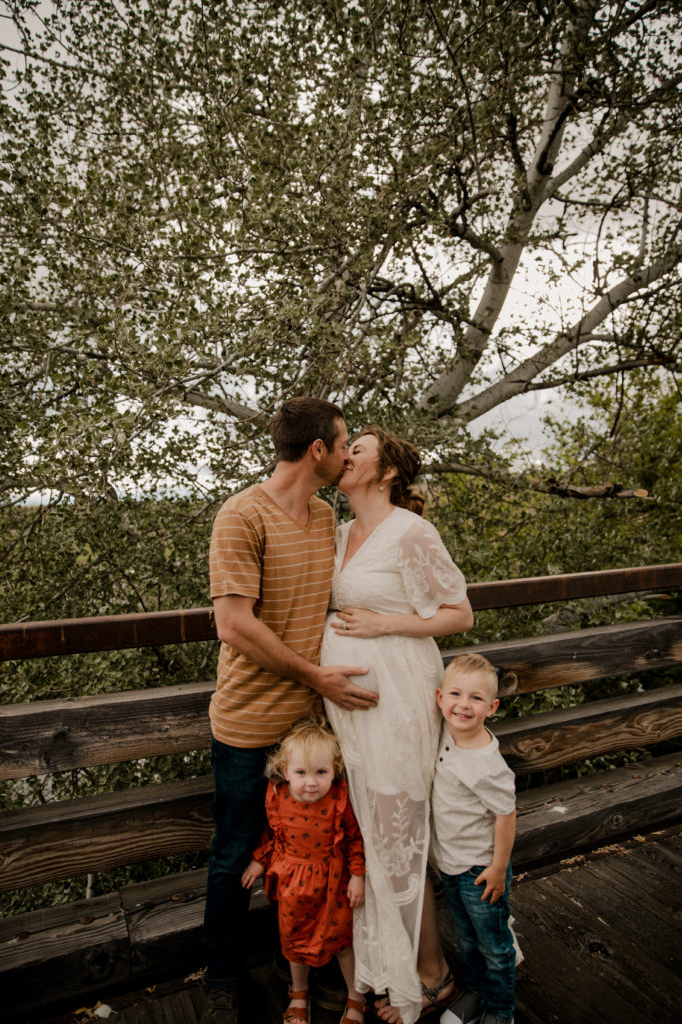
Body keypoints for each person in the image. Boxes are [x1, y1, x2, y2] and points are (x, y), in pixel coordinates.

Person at [203, 397, 377, 1024]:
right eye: (343, 442)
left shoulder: (324, 514)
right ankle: (221, 978)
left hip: (314, 732)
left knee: (321, 853)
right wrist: (314, 676)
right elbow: (233, 624)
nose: (347, 452)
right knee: (235, 853)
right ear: (317, 451)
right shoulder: (241, 515)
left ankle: (305, 963)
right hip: (250, 725)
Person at [320, 426, 474, 1024]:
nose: (345, 455)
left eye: (357, 449)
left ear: (386, 472)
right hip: (352, 714)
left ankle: (433, 980)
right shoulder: (337, 534)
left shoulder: (412, 532)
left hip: (401, 701)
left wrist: (385, 626)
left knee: (397, 834)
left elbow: (459, 613)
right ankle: (393, 970)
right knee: (374, 835)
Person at [242, 716, 368, 1024]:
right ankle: (299, 992)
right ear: (286, 771)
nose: (311, 782)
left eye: (321, 772)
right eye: (301, 772)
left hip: (332, 885)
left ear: (334, 771)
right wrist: (259, 860)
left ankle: (356, 996)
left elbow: (353, 839)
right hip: (292, 886)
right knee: (293, 942)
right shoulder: (278, 797)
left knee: (342, 942)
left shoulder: (339, 799)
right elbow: (274, 836)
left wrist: (358, 876)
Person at [433, 654, 517, 1024]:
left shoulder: (487, 763)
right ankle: (476, 993)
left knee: (494, 946)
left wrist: (498, 868)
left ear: (492, 707)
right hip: (450, 863)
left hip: (480, 869)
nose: (463, 705)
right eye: (455, 694)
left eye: (476, 698)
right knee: (466, 938)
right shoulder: (442, 733)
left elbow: (506, 815)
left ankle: (501, 1011)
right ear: (439, 698)